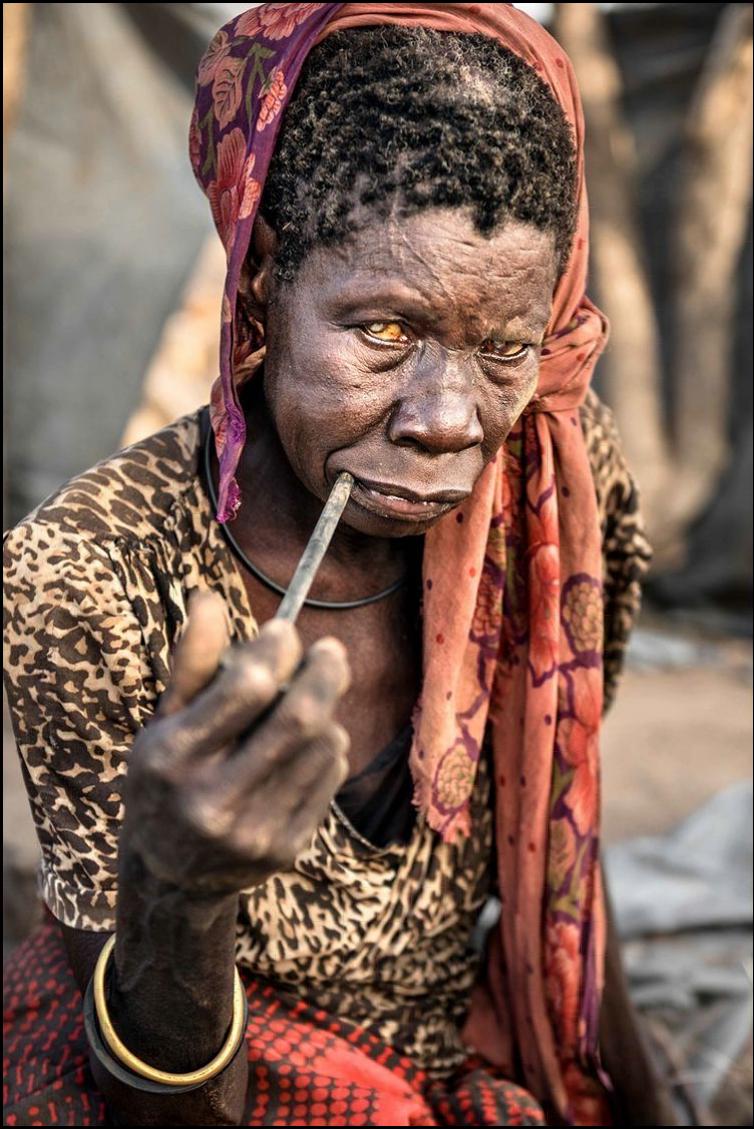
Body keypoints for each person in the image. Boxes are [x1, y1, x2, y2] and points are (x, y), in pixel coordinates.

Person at [3, 4, 666, 1126]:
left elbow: (561, 846)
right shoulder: (86, 576)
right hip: (174, 1049)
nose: (449, 421)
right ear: (262, 286)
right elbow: (159, 1100)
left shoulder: (552, 482)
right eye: (386, 333)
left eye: (503, 347)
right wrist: (176, 891)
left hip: (446, 1048)